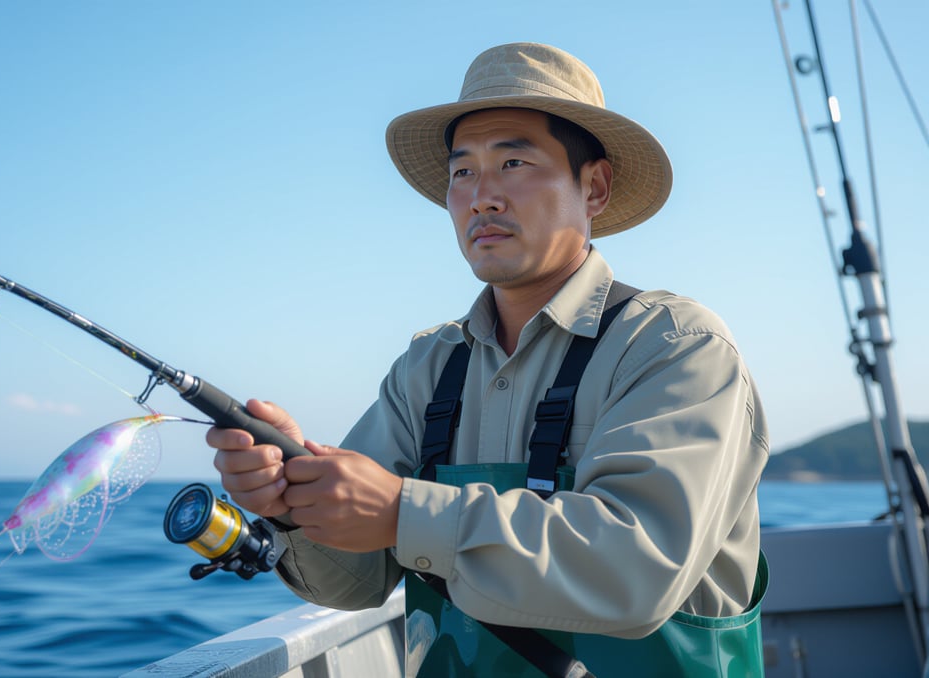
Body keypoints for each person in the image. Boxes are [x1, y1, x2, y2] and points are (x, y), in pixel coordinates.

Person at [207, 42, 769, 677]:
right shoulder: (426, 366)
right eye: (463, 172)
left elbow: (636, 573)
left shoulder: (676, 344)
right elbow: (353, 585)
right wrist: (291, 498)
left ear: (595, 187)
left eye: (515, 161)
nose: (482, 197)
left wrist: (400, 511)